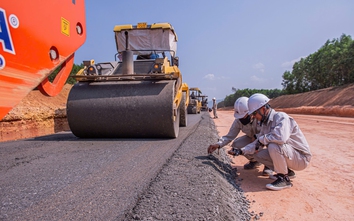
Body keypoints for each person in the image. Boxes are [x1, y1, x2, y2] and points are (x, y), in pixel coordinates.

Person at [235, 93, 312, 191]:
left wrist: (262, 139)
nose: (254, 117)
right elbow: (258, 143)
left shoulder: (281, 117)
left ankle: (284, 179)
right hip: (291, 156)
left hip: (301, 158)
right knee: (257, 154)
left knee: (273, 145)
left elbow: (281, 138)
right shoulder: (265, 124)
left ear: (263, 109)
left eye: (254, 113)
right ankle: (287, 172)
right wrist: (242, 151)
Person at [207, 97, 271, 173]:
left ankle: (268, 165)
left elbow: (269, 133)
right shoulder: (238, 121)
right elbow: (229, 136)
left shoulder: (260, 117)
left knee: (270, 143)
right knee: (237, 144)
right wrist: (218, 144)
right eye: (241, 117)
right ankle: (255, 161)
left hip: (264, 138)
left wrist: (256, 137)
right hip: (252, 139)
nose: (242, 119)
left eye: (245, 116)